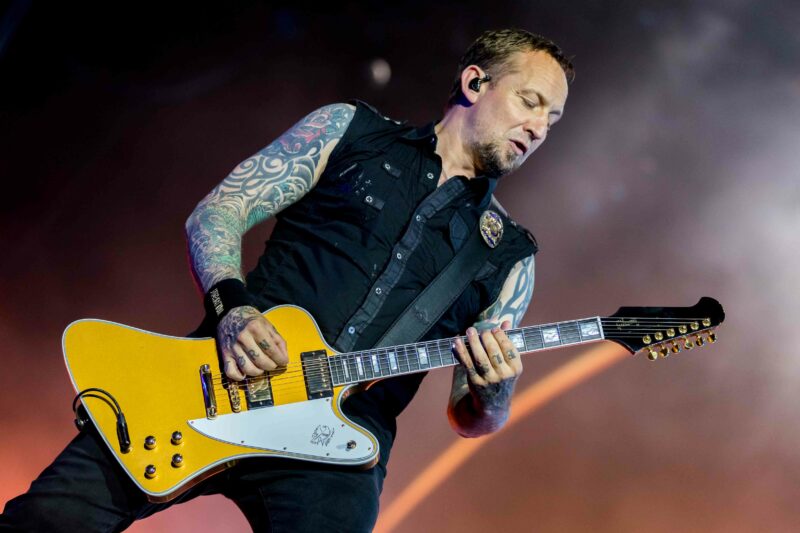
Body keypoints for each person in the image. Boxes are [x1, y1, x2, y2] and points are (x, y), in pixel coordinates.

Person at [1, 28, 572, 532]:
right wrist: (232, 309)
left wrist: (494, 392)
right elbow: (218, 213)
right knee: (48, 518)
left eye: (552, 120)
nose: (538, 128)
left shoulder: (508, 256)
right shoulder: (351, 132)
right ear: (474, 83)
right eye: (530, 101)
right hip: (218, 376)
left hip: (336, 450)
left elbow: (471, 418)